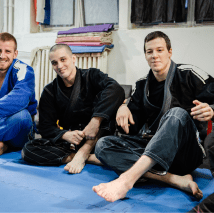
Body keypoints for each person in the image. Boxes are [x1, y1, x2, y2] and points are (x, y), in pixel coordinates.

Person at [92, 31, 214, 202]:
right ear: (145, 55)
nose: (155, 56)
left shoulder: (190, 74)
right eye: (150, 51)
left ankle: (126, 180)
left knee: (177, 114)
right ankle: (173, 179)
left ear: (170, 52)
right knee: (103, 145)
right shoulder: (142, 85)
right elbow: (131, 128)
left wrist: (212, 109)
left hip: (185, 153)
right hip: (155, 151)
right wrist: (122, 107)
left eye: (160, 50)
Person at [21, 44, 125, 174]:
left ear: (73, 59)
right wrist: (65, 135)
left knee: (106, 95)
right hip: (72, 143)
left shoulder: (91, 75)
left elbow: (116, 89)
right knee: (28, 150)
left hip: (98, 137)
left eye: (63, 59)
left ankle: (84, 152)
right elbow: (45, 127)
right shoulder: (50, 91)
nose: (59, 66)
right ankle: (84, 157)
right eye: (54, 63)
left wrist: (95, 121)